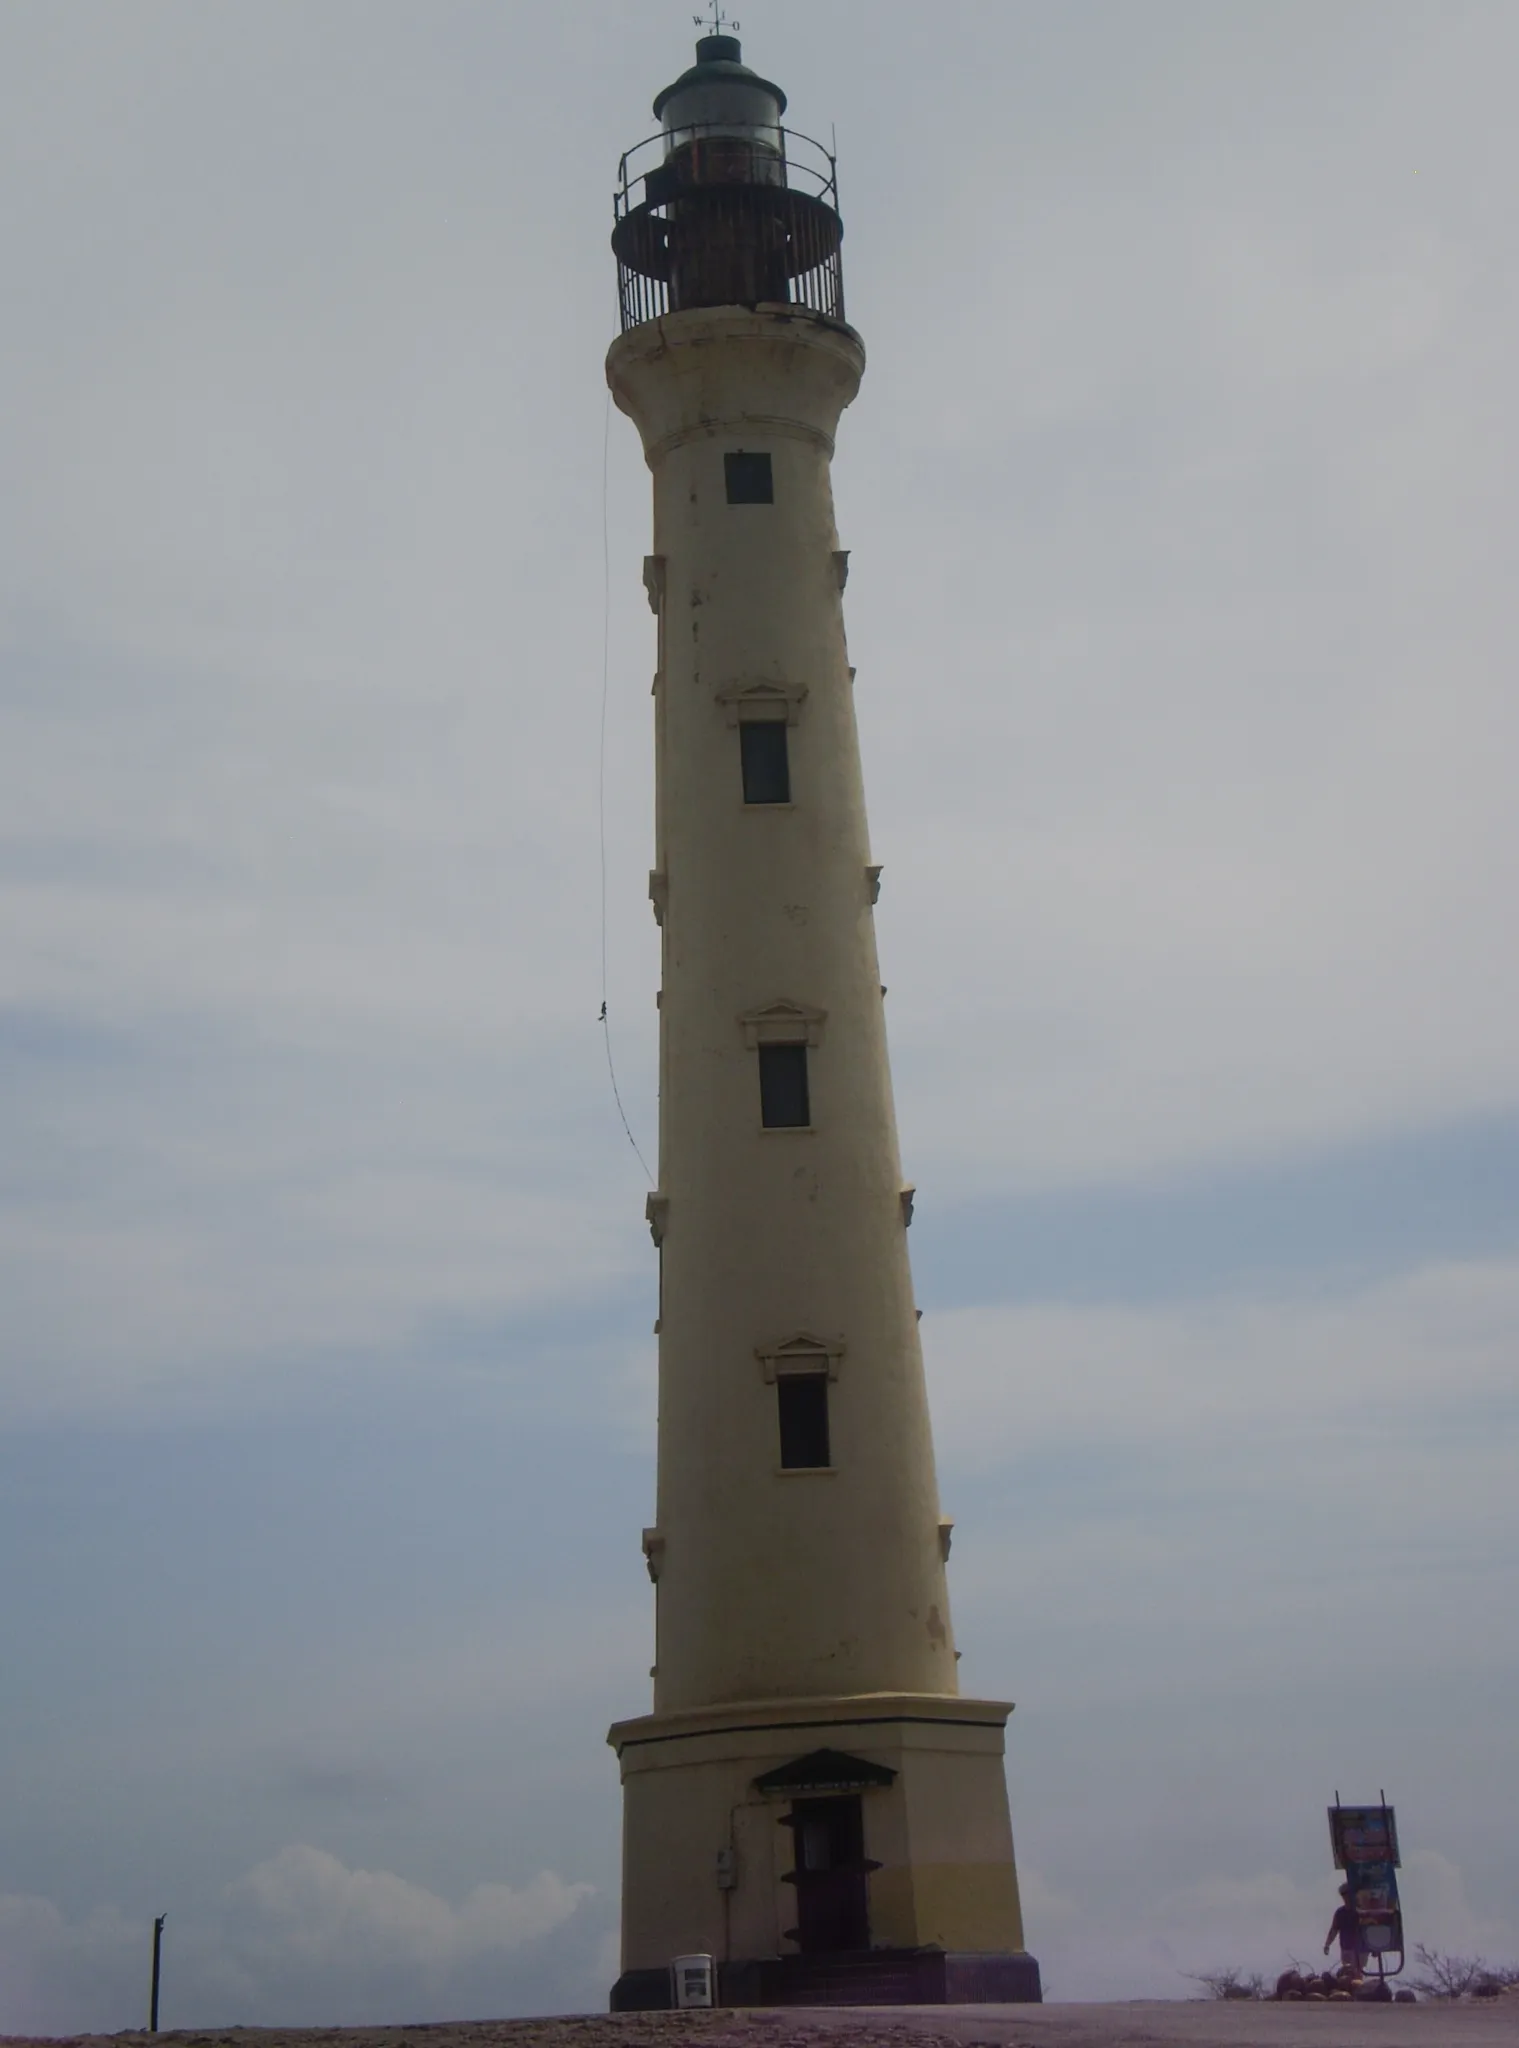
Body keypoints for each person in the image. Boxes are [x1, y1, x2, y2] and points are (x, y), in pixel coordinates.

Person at [1324, 1883, 1363, 1974]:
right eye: (1344, 1896)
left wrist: (1373, 1949)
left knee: (1358, 1971)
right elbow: (1334, 1930)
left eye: (1348, 1895)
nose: (1346, 1898)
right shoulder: (1340, 1913)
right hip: (1346, 1948)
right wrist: (1327, 1944)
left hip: (1361, 1948)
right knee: (1348, 1972)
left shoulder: (1362, 1912)